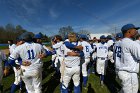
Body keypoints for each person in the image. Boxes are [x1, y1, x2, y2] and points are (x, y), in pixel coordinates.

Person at [118, 24, 140, 93]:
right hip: (129, 74)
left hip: (123, 71)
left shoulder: (119, 42)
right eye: (135, 29)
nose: (137, 31)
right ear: (129, 31)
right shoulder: (131, 43)